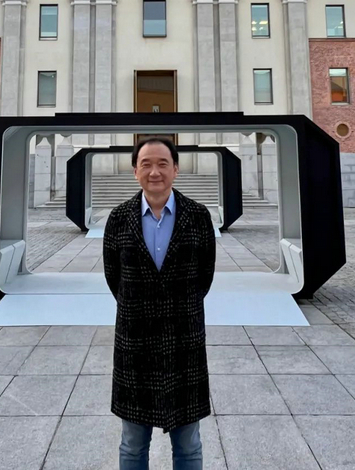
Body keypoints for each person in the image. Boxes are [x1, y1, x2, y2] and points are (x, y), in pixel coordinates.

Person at [103, 137, 216, 469]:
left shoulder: (198, 216)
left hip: (184, 343)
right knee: (133, 444)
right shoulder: (118, 218)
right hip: (135, 344)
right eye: (146, 164)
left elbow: (204, 276)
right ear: (135, 171)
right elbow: (114, 277)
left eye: (163, 164)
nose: (155, 172)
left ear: (176, 169)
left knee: (189, 444)